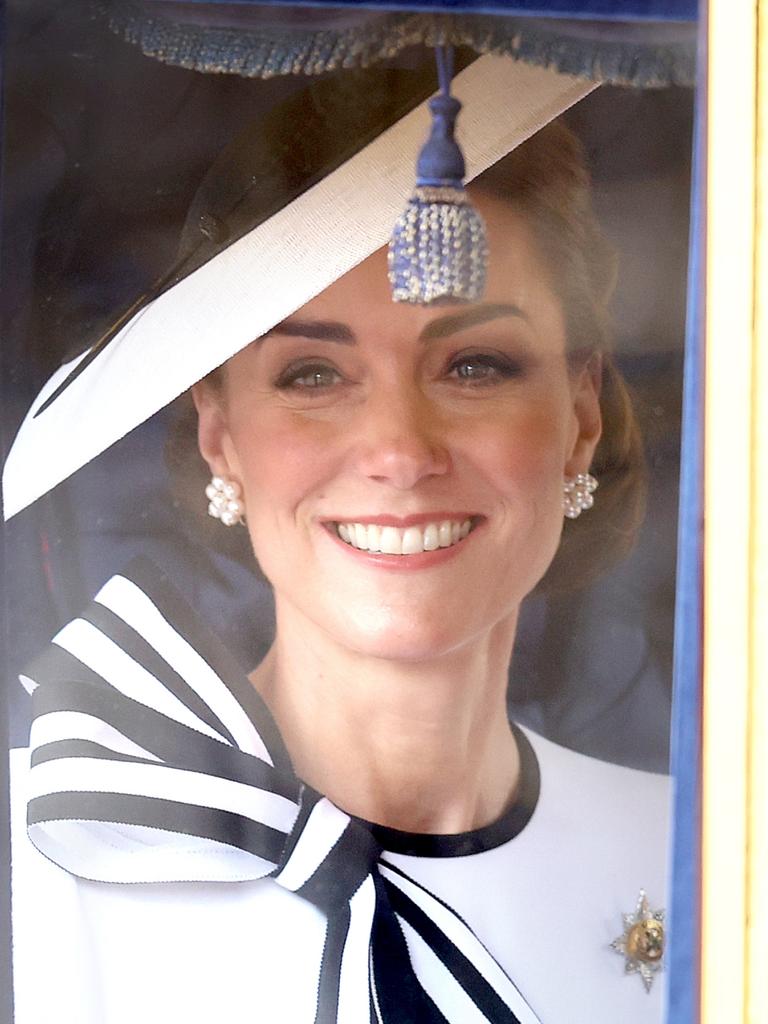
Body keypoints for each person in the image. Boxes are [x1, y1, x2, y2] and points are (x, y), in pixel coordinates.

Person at [6, 60, 669, 1024]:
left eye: (474, 365)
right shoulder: (25, 857)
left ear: (580, 416)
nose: (400, 452)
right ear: (218, 432)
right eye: (313, 375)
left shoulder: (702, 866)